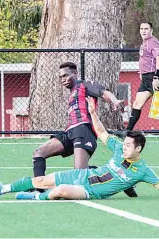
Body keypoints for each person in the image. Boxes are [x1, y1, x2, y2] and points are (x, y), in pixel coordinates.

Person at [0, 96, 159, 202]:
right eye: (124, 144)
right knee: (42, 180)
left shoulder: (141, 170)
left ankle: (34, 198)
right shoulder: (117, 148)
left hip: (90, 191)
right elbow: (103, 133)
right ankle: (2, 189)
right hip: (83, 175)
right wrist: (93, 114)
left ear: (139, 149)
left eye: (129, 145)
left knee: (59, 191)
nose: (124, 148)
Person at [31, 62, 137, 197]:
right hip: (69, 132)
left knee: (80, 173)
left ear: (75, 74)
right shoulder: (72, 93)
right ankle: (39, 188)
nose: (62, 79)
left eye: (65, 75)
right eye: (60, 77)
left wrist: (115, 101)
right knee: (39, 153)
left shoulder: (85, 85)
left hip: (84, 130)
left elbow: (104, 93)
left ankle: (120, 177)